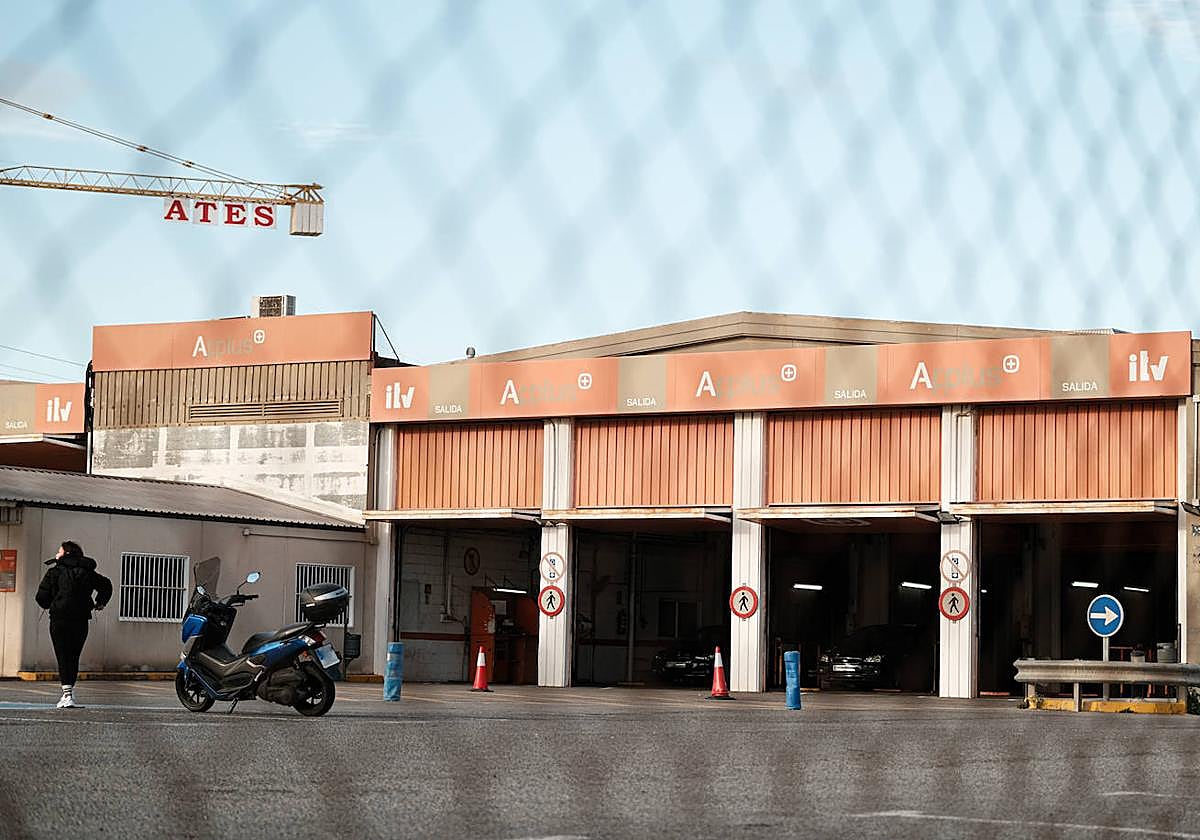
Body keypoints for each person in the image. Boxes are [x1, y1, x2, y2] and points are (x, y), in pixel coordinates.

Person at [34, 541, 112, 709]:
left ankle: (66, 694)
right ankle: (70, 693)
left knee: (62, 655)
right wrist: (100, 603)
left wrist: (52, 603)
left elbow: (41, 597)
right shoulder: (88, 572)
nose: (56, 553)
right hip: (81, 619)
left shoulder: (54, 572)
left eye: (59, 551)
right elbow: (107, 585)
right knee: (74, 655)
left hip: (59, 618)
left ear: (66, 553)